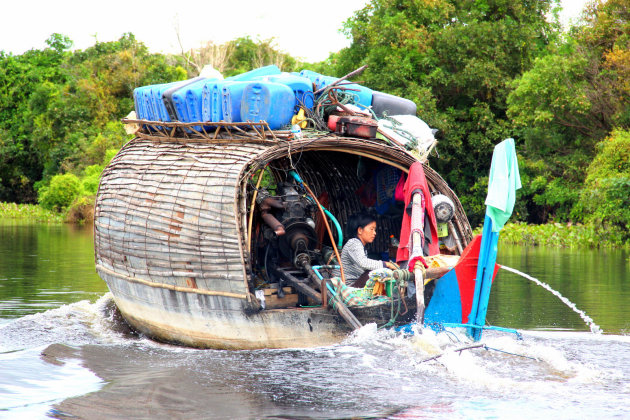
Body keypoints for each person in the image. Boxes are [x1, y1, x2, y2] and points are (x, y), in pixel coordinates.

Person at [333, 212, 397, 287]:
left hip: (354, 283)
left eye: (375, 229)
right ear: (360, 230)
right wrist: (387, 264)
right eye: (371, 229)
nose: (374, 233)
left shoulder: (359, 245)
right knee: (373, 272)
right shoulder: (353, 243)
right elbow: (363, 263)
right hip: (347, 285)